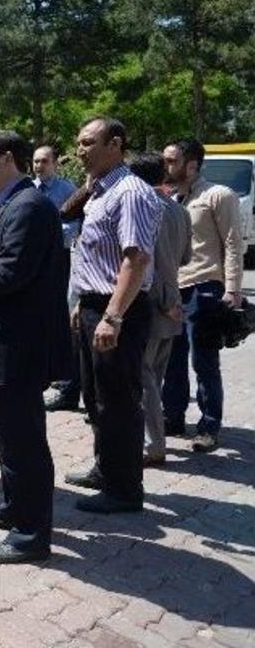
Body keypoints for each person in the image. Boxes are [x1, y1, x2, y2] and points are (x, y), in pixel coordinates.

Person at [0, 130, 68, 564]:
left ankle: (30, 535)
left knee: (24, 440)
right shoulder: (16, 203)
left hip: (19, 343)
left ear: (8, 158)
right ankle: (14, 509)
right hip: (8, 339)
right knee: (9, 434)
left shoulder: (28, 206)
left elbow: (10, 273)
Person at [65, 117, 162, 515]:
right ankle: (106, 469)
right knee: (95, 397)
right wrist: (82, 305)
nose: (80, 150)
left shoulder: (131, 192)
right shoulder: (100, 191)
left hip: (118, 309)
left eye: (88, 142)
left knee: (118, 401)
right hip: (94, 305)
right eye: (79, 142)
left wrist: (113, 317)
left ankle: (124, 490)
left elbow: (135, 259)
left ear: (115, 144)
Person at [161, 138, 244, 453]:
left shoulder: (218, 195)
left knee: (204, 360)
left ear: (191, 163)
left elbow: (235, 243)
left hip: (205, 287)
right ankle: (173, 417)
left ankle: (209, 427)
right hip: (174, 288)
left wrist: (233, 288)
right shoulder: (171, 199)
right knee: (172, 359)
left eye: (171, 160)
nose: (165, 166)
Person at [127, 153, 192, 466]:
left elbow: (140, 262)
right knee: (155, 375)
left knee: (144, 378)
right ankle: (153, 438)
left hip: (154, 302)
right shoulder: (179, 210)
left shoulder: (145, 208)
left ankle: (153, 445)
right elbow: (185, 258)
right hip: (174, 300)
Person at [33, 146, 83, 412]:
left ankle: (68, 382)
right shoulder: (28, 189)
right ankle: (46, 373)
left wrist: (47, 234)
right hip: (34, 263)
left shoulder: (67, 190)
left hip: (60, 261)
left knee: (62, 318)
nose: (39, 166)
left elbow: (74, 226)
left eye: (44, 161)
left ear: (54, 164)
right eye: (36, 161)